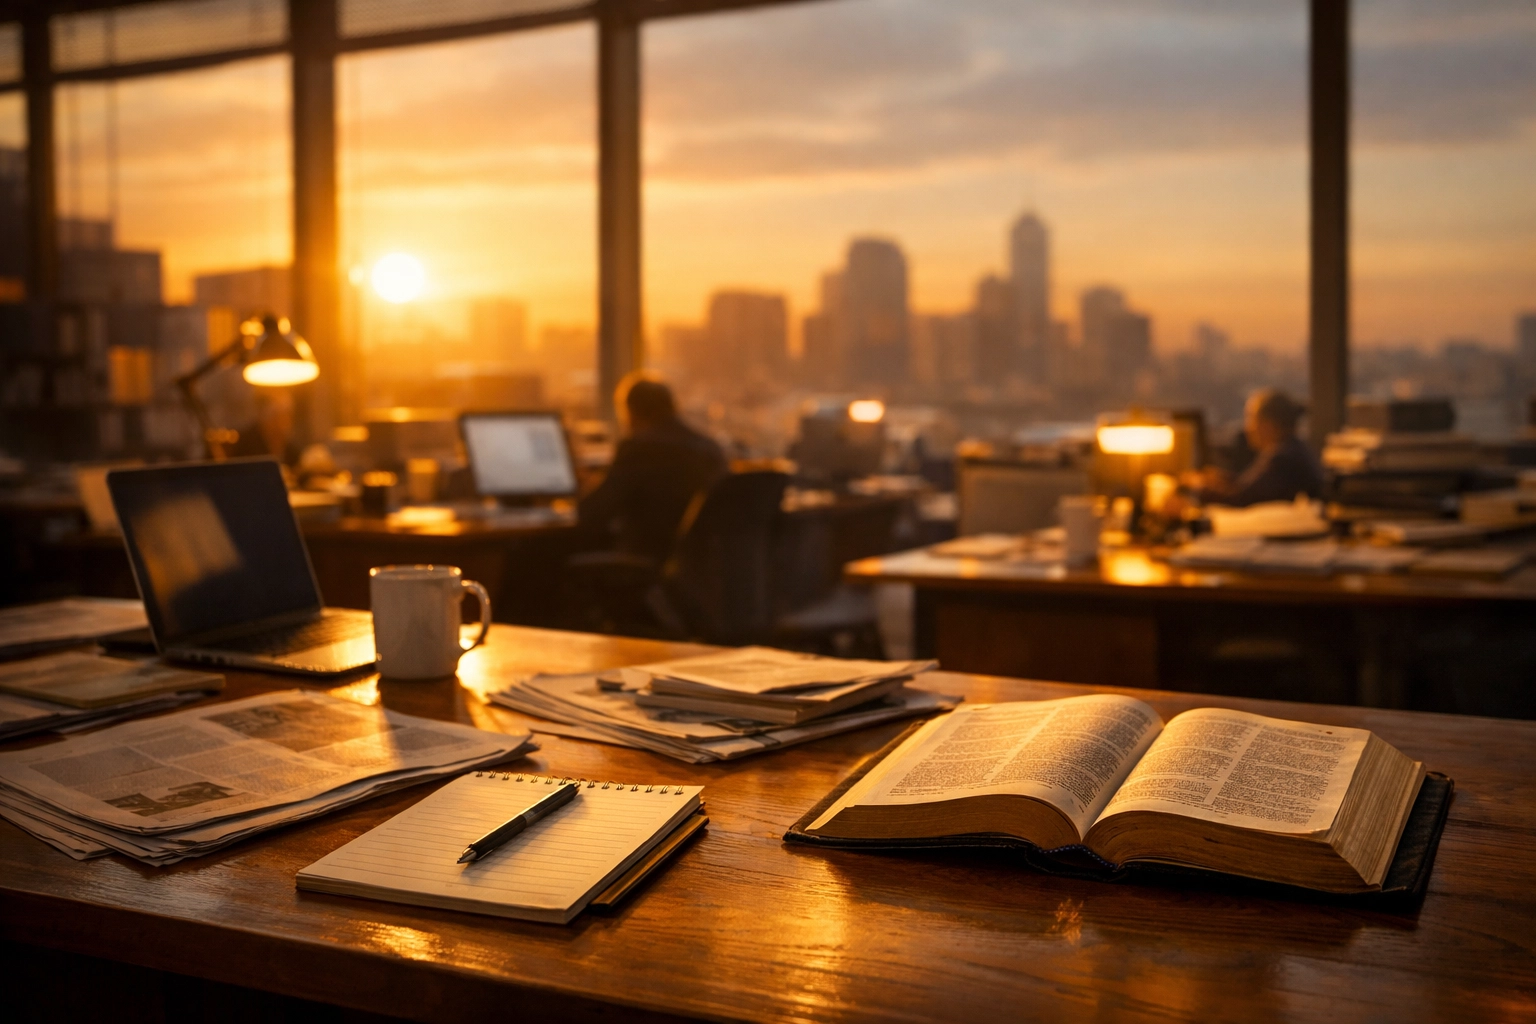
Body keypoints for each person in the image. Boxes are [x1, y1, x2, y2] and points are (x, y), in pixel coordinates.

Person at [578, 372, 727, 563]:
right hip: (702, 570)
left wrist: (585, 487)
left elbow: (592, 513)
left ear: (630, 413)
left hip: (647, 562)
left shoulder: (638, 449)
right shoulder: (710, 449)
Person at [1185, 388, 1324, 507]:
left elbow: (1241, 499)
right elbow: (1249, 487)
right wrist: (1222, 480)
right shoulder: (1289, 449)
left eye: (1251, 419)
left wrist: (1195, 489)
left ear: (1268, 424)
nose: (1247, 429)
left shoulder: (1282, 458)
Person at [229, 389, 303, 466]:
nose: (282, 423)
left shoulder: (293, 452)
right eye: (275, 416)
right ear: (263, 418)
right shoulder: (246, 445)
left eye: (287, 415)